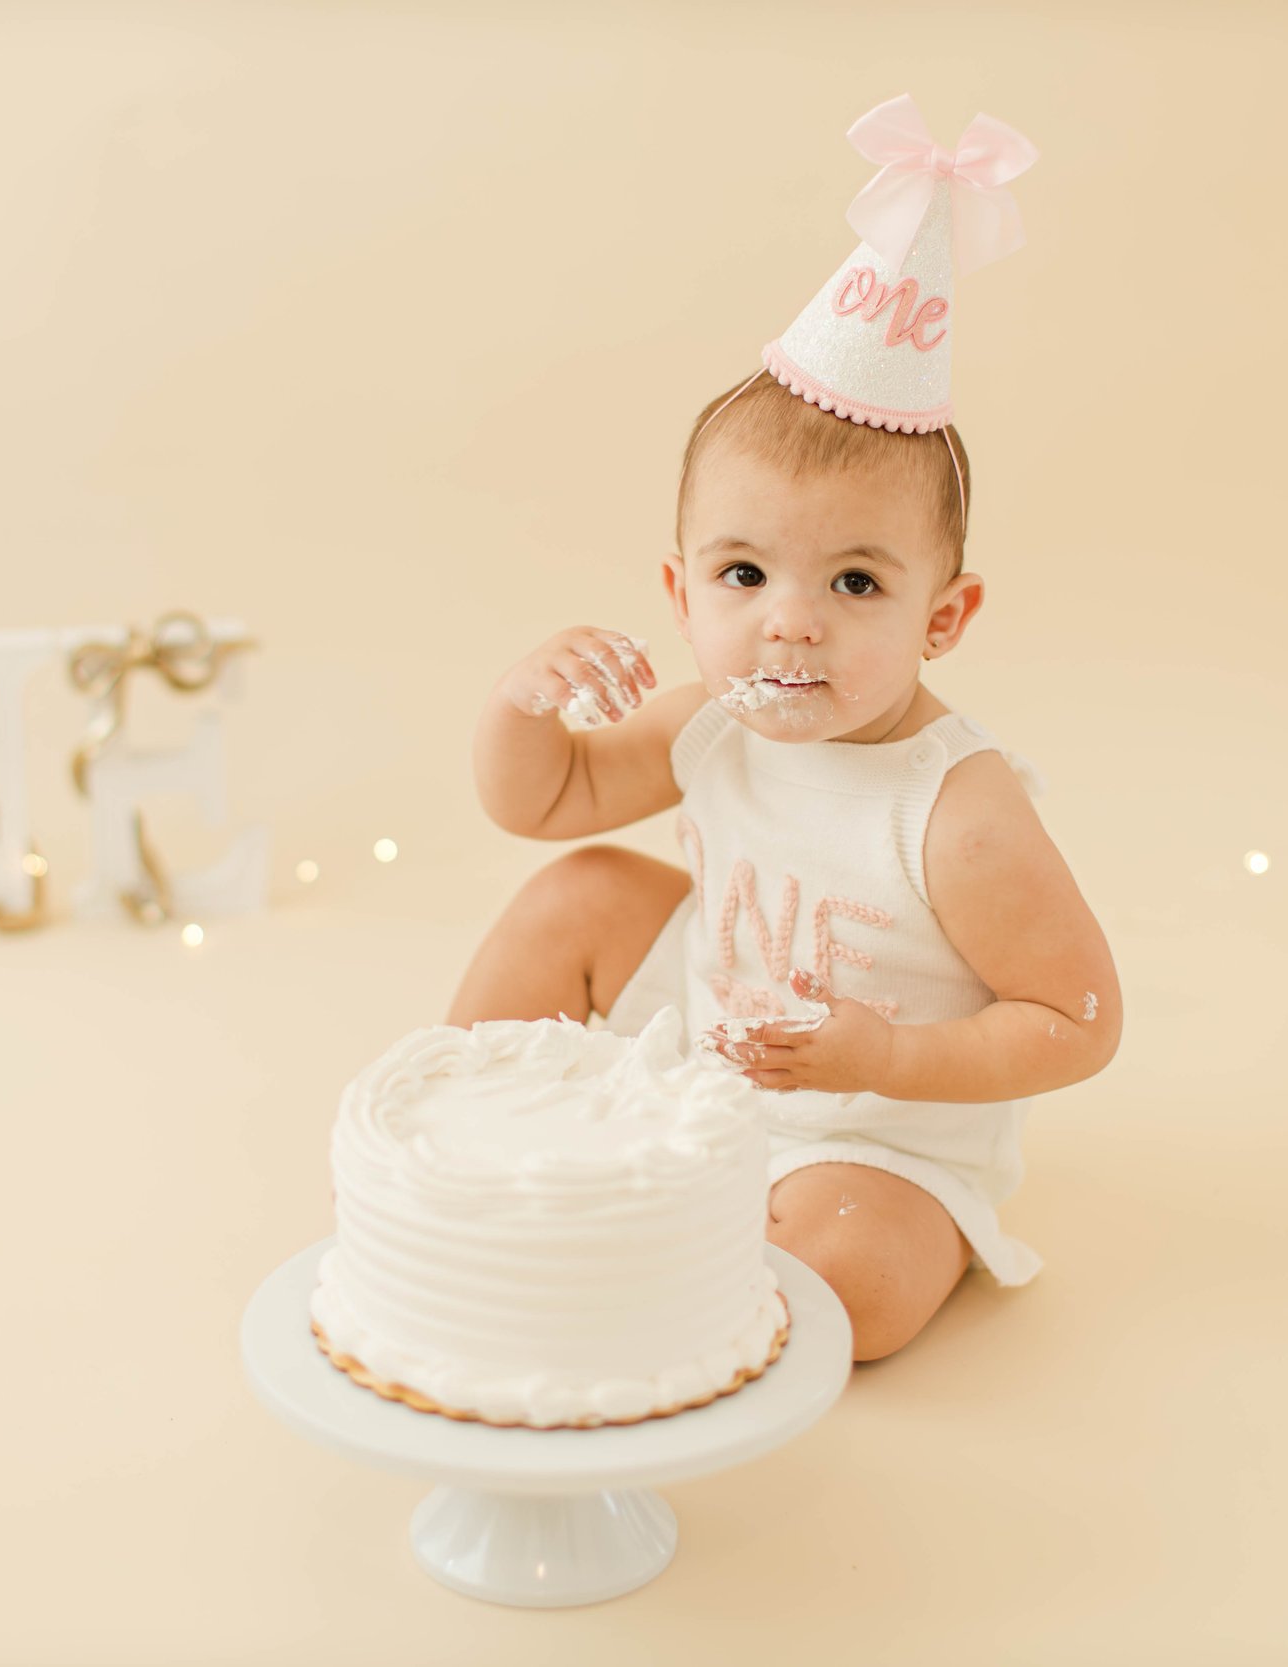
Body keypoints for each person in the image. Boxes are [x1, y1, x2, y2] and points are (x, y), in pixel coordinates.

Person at [446, 96, 1122, 1363]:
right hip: (702, 1049)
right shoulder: (715, 717)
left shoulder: (956, 810)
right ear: (679, 589)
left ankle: (712, 1269)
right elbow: (545, 803)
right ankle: (460, 1140)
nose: (789, 626)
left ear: (946, 614)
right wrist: (518, 706)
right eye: (744, 576)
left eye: (856, 583)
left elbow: (1078, 1014)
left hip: (876, 1124)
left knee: (849, 1281)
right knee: (579, 888)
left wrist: (889, 1054)